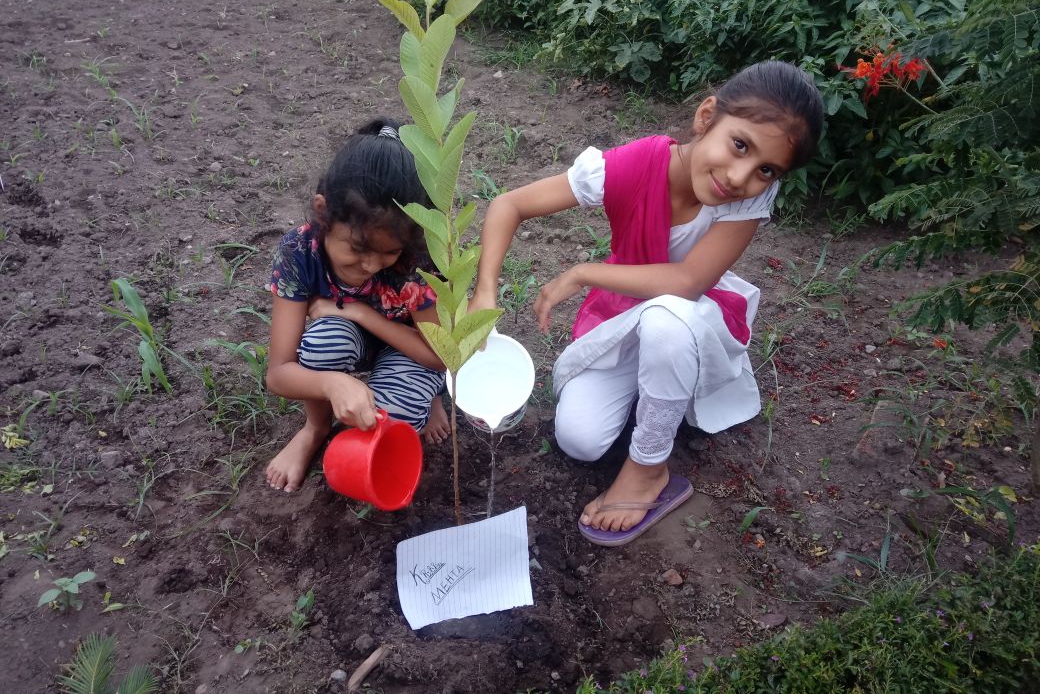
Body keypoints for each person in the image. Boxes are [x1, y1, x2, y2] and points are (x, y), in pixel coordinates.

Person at [470, 61, 824, 545]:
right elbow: (508, 204)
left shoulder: (745, 200)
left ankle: (648, 469)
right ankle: (653, 389)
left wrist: (583, 271)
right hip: (624, 312)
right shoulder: (634, 167)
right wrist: (484, 292)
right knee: (579, 440)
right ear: (706, 117)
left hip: (693, 318)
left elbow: (688, 282)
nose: (740, 176)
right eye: (739, 145)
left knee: (667, 319)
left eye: (767, 170)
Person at [264, 119, 449, 493]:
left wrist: (359, 312)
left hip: (410, 349)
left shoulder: (415, 263)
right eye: (357, 249)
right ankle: (315, 428)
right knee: (323, 344)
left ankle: (430, 398)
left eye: (388, 252)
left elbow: (439, 356)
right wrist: (332, 383)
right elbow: (279, 373)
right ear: (322, 212)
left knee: (401, 411)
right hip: (351, 339)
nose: (370, 265)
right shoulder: (299, 252)